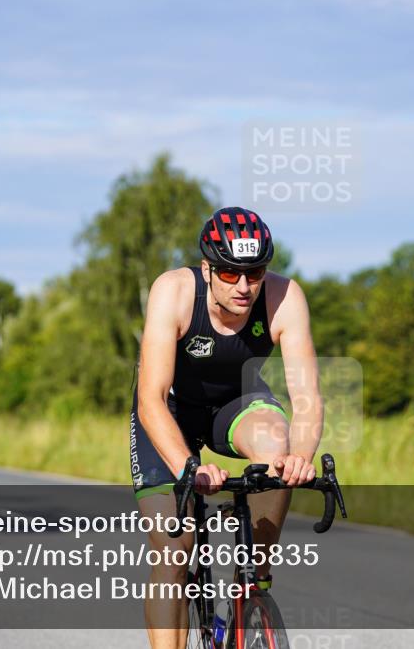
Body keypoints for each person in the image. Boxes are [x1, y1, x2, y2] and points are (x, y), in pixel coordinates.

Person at [130, 207, 323, 649]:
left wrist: (300, 460)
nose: (243, 286)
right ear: (207, 269)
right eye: (231, 274)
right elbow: (151, 399)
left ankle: (252, 584)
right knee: (174, 550)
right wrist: (187, 468)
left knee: (278, 447)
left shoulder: (285, 297)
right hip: (171, 410)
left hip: (237, 403)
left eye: (253, 274)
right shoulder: (174, 292)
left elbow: (308, 398)